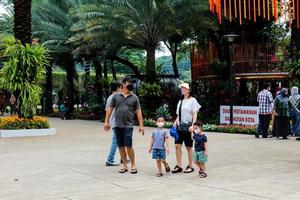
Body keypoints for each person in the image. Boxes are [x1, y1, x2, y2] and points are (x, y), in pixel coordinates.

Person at [104, 78, 144, 174]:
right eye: (128, 83)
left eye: (131, 83)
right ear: (123, 84)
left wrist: (141, 125)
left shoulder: (134, 98)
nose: (130, 85)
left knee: (129, 146)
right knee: (121, 146)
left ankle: (133, 165)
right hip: (117, 125)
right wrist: (106, 122)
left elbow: (138, 112)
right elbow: (109, 109)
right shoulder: (116, 96)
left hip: (128, 125)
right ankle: (125, 165)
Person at [172, 83, 201, 174]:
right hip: (180, 126)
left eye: (185, 88)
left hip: (188, 127)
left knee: (189, 147)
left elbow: (195, 114)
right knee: (177, 145)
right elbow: (178, 115)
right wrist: (175, 122)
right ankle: (179, 165)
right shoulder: (180, 101)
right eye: (182, 88)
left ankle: (190, 166)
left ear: (189, 90)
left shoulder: (193, 100)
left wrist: (193, 126)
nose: (183, 89)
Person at [105, 81, 122, 166]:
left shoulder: (109, 98)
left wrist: (107, 122)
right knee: (116, 140)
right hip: (118, 122)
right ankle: (110, 159)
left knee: (119, 140)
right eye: (121, 87)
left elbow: (107, 111)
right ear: (118, 88)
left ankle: (123, 158)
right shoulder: (118, 97)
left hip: (113, 122)